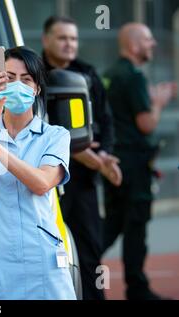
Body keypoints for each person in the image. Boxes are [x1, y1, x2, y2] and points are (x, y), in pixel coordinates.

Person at [0, 46, 76, 300]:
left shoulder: (55, 136)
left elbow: (42, 183)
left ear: (37, 89)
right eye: (9, 78)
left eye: (27, 79)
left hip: (41, 260)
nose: (18, 85)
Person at [41, 16, 122, 300]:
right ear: (46, 40)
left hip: (85, 181)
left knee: (89, 251)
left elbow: (105, 120)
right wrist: (80, 153)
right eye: (62, 38)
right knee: (48, 251)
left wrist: (104, 157)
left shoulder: (88, 73)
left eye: (73, 39)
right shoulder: (33, 74)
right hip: (46, 178)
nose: (69, 44)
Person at [102, 23, 177, 300]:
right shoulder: (133, 77)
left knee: (113, 223)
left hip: (115, 162)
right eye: (147, 39)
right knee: (134, 226)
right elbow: (146, 124)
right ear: (133, 45)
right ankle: (137, 289)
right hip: (133, 166)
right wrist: (159, 101)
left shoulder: (110, 75)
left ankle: (85, 268)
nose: (153, 44)